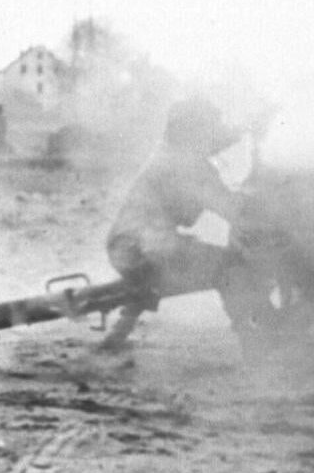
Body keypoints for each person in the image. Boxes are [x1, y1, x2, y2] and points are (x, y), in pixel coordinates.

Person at [100, 97, 265, 350]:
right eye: (209, 127)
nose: (214, 134)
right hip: (151, 249)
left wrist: (246, 128)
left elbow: (217, 141)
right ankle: (253, 345)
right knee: (231, 267)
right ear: (194, 132)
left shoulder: (169, 151)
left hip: (124, 247)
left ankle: (118, 335)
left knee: (149, 276)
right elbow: (232, 210)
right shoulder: (191, 166)